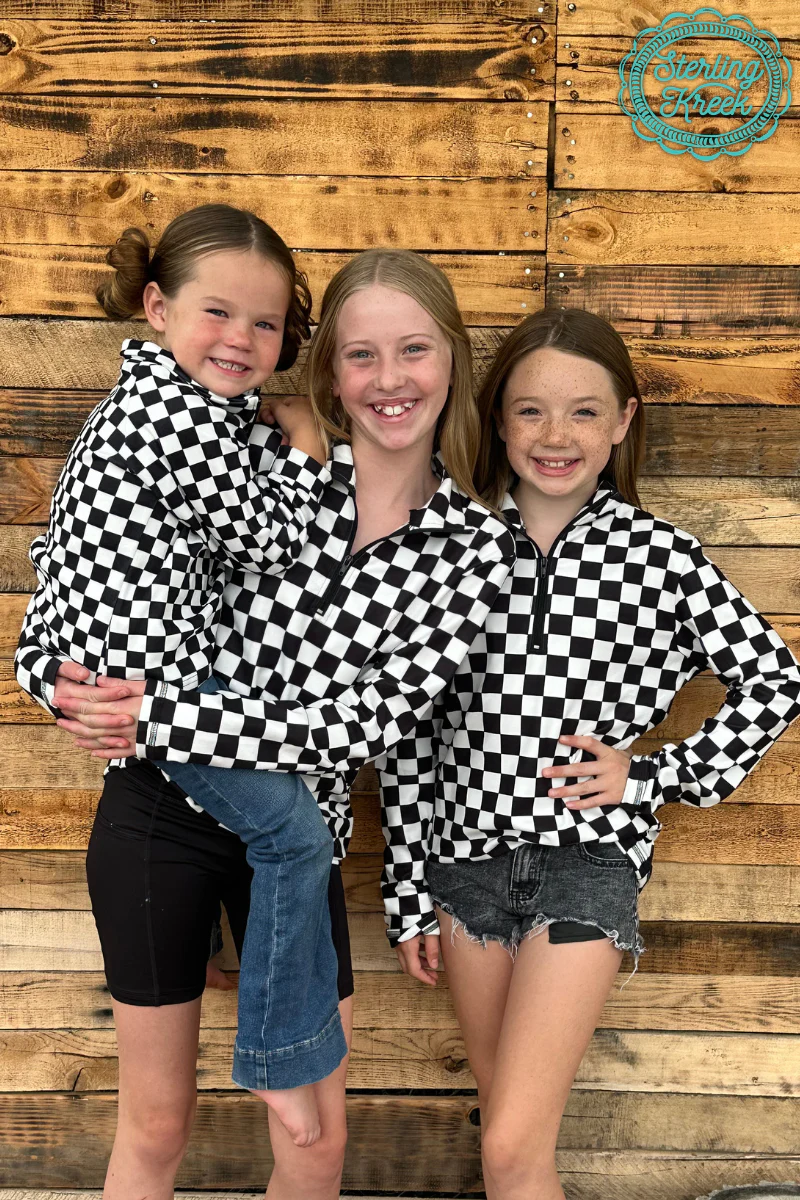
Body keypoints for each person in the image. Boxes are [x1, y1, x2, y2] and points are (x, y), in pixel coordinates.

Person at [36, 249, 517, 1200]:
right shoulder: (258, 461)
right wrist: (50, 678)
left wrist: (161, 715)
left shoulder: (477, 549)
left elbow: (356, 729)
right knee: (155, 1126)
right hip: (160, 814)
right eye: (361, 355)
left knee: (316, 1145)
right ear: (328, 370)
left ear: (452, 359)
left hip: (298, 836)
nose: (389, 380)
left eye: (414, 350)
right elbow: (88, 562)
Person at [379, 308, 800, 1200]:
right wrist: (409, 892)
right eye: (530, 410)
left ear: (623, 421)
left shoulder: (660, 558)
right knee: (509, 1143)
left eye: (584, 411)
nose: (556, 435)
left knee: (510, 1149)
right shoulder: (445, 548)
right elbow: (408, 736)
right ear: (497, 418)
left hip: (586, 866)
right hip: (463, 870)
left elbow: (775, 681)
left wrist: (649, 774)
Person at [15, 202, 355, 1144]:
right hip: (159, 702)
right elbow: (271, 538)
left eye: (266, 322)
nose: (242, 338)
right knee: (293, 836)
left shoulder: (178, 412)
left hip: (153, 695)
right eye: (218, 312)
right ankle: (277, 1057)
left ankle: (229, 967)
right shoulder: (170, 418)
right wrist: (308, 445)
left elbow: (61, 560)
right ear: (158, 307)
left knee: (280, 834)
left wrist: (46, 667)